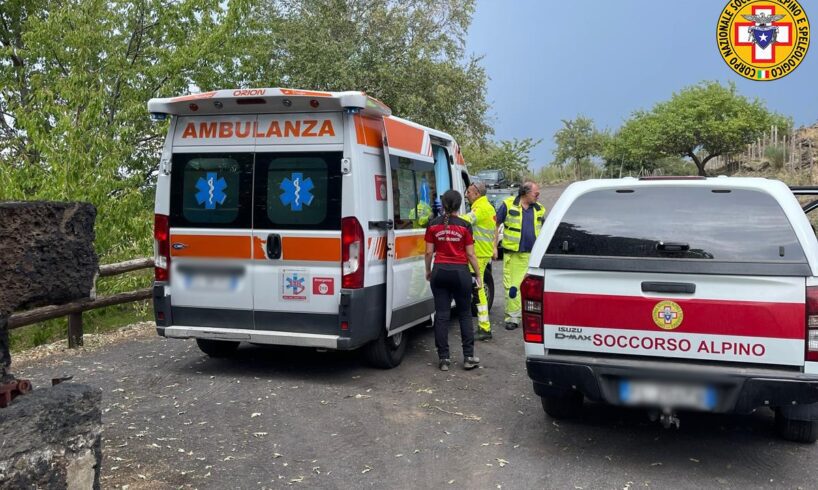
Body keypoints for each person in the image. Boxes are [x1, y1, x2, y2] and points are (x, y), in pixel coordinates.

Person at [424, 190, 482, 371]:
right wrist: (478, 275)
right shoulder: (465, 225)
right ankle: (468, 357)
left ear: (443, 205)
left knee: (441, 315)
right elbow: (470, 255)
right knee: (465, 314)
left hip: (439, 272)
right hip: (460, 273)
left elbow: (428, 252)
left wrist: (428, 270)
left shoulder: (432, 224)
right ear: (459, 205)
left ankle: (444, 359)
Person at [494, 182, 545, 330]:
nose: (538, 196)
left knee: (534, 289)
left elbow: (545, 230)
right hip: (514, 256)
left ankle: (533, 317)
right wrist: (494, 247)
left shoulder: (539, 209)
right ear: (525, 193)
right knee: (513, 288)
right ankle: (513, 318)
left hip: (533, 256)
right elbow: (495, 225)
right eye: (536, 193)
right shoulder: (508, 205)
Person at [463, 181, 497, 341]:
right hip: (482, 254)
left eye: (469, 192)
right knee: (479, 288)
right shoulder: (488, 207)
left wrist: (448, 216)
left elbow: (465, 220)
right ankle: (484, 326)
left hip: (478, 255)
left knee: (478, 289)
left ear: (477, 193)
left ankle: (484, 327)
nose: (466, 195)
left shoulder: (481, 208)